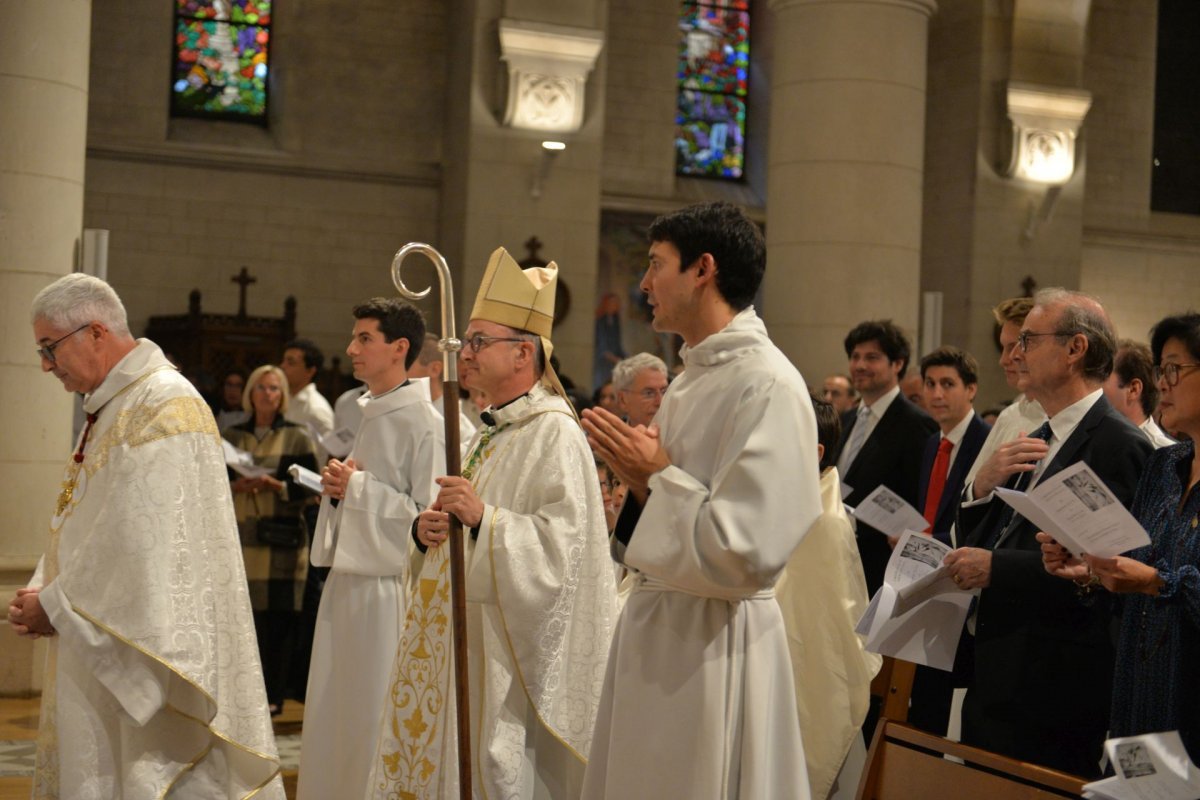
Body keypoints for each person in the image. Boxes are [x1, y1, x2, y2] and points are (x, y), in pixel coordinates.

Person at [6, 273, 283, 798]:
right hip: (94, 637)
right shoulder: (113, 405)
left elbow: (145, 544)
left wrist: (56, 603)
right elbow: (82, 515)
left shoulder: (164, 404)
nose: (45, 365)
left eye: (49, 348)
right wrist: (42, 589)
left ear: (94, 332)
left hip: (143, 650)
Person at [581, 201, 823, 799]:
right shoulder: (692, 379)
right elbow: (667, 503)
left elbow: (749, 553)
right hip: (661, 628)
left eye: (656, 264)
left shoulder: (767, 383)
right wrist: (642, 481)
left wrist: (655, 477)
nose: (643, 284)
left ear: (703, 270)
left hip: (716, 641)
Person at [368, 246, 618, 799]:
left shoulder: (554, 432)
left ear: (524, 354)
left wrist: (486, 520)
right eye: (467, 340)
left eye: (479, 342)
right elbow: (464, 528)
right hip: (457, 648)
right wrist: (427, 535)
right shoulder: (492, 431)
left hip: (502, 662)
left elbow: (566, 557)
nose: (465, 352)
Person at [947, 289, 1153, 777]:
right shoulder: (1038, 438)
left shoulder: (1118, 443)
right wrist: (980, 487)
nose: (1015, 354)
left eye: (1028, 340)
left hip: (1055, 679)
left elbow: (1111, 566)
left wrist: (997, 568)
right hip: (1000, 667)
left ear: (1075, 349)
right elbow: (990, 535)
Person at [297, 299, 444, 800]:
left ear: (400, 348)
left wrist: (355, 489)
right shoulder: (368, 411)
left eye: (364, 339)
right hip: (347, 585)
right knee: (334, 712)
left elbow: (431, 522)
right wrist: (342, 488)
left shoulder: (424, 422)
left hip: (389, 596)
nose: (351, 348)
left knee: (369, 717)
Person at [1040, 312, 1200, 762]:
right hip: (1139, 695)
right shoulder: (1163, 468)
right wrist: (1091, 572)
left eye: (1174, 369)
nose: (1161, 384)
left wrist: (1156, 581)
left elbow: (1154, 577)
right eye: (1159, 370)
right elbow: (1133, 570)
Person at [776, 395, 880, 800]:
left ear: (816, 451)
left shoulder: (825, 521)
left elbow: (820, 632)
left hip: (798, 678)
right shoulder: (791, 502)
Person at [223, 364, 318, 716]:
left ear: (283, 396)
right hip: (242, 536)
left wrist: (275, 485)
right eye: (261, 388)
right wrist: (236, 485)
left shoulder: (297, 436)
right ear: (250, 393)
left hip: (282, 539)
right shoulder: (232, 436)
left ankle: (274, 695)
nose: (267, 394)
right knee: (245, 619)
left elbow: (311, 487)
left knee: (278, 621)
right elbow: (212, 480)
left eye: (274, 389)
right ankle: (242, 692)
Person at [907, 346, 990, 737]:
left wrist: (926, 540)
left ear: (971, 389)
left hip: (963, 585)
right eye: (930, 384)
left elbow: (980, 520)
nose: (936, 394)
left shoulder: (985, 441)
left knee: (946, 705)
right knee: (921, 702)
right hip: (928, 579)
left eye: (948, 384)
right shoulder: (930, 442)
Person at [836, 320, 938, 596]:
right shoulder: (846, 419)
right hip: (841, 555)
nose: (859, 365)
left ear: (897, 364)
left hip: (884, 565)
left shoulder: (917, 424)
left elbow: (922, 500)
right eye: (855, 357)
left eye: (872, 357)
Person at [962, 297, 1047, 501]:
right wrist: (983, 482)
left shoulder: (1060, 419)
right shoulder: (1009, 416)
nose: (1004, 360)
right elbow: (968, 496)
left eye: (1013, 347)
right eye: (1004, 349)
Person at [408, 332, 479, 446]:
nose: (398, 373)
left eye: (407, 364)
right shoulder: (405, 415)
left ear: (435, 369)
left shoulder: (460, 430)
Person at [1104, 339, 1176, 448]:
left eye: (1104, 376)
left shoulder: (1164, 455)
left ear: (1134, 389)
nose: (1093, 384)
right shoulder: (1097, 439)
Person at [281, 337, 335, 459]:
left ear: (310, 371)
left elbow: (330, 453)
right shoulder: (284, 398)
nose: (282, 366)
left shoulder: (316, 408)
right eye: (283, 361)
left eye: (291, 362)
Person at [612, 352, 669, 427]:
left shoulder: (684, 436)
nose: (660, 402)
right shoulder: (607, 438)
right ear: (623, 400)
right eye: (649, 393)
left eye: (664, 392)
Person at [215, 366, 249, 430]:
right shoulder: (214, 417)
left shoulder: (253, 419)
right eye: (229, 384)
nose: (233, 390)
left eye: (238, 386)